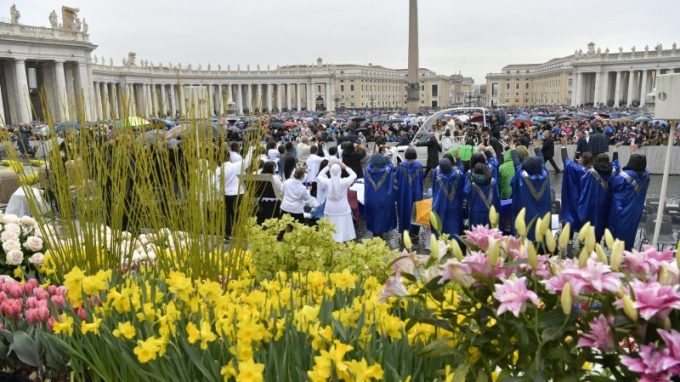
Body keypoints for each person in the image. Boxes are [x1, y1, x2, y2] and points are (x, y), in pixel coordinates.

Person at [607, 146, 649, 250]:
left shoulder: (624, 176)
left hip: (622, 210)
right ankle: (627, 256)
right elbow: (640, 166)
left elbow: (612, 183)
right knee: (630, 234)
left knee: (619, 236)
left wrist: (615, 158)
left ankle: (617, 258)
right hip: (636, 211)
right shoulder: (646, 176)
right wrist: (634, 153)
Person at [511, 141, 551, 241]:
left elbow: (517, 165)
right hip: (542, 212)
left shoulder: (522, 176)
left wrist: (513, 151)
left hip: (527, 213)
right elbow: (541, 162)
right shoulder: (545, 175)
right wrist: (537, 149)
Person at [578, 149, 619, 242]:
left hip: (593, 201)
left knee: (592, 221)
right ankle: (599, 241)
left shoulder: (591, 172)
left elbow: (583, 183)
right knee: (603, 221)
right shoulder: (614, 171)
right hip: (607, 202)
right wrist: (615, 152)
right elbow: (617, 165)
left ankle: (588, 242)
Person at [216, 146, 253, 237]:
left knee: (228, 214)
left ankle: (228, 233)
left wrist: (221, 191)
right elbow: (247, 161)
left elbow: (215, 183)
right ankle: (240, 233)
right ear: (229, 157)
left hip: (227, 195)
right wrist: (251, 148)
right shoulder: (235, 166)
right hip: (238, 194)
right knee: (239, 214)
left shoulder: (219, 170)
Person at [316, 163, 357, 242]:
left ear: (330, 172)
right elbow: (354, 175)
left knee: (330, 225)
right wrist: (345, 166)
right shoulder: (344, 182)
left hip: (330, 208)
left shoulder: (327, 182)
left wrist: (327, 166)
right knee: (342, 225)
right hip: (343, 208)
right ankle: (342, 239)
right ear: (340, 172)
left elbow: (319, 176)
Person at [560, 137, 592, 232]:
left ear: (582, 159)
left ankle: (568, 240)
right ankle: (583, 241)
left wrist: (563, 146)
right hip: (585, 201)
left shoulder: (572, 167)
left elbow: (565, 158)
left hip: (571, 198)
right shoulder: (592, 172)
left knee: (568, 217)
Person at [364, 154, 397, 237]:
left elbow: (368, 164)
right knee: (383, 216)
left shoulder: (367, 170)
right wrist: (387, 158)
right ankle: (381, 234)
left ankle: (375, 233)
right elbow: (392, 166)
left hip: (371, 197)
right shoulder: (387, 170)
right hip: (384, 198)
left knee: (373, 215)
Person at [432, 158, 465, 238]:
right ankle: (455, 244)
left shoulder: (438, 178)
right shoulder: (459, 175)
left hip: (441, 205)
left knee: (442, 226)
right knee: (455, 225)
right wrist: (459, 160)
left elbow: (434, 191)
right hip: (455, 204)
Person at [396, 147, 424, 237]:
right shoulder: (419, 166)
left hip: (403, 193)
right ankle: (414, 232)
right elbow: (421, 180)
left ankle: (404, 230)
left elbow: (397, 178)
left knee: (404, 210)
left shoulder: (401, 166)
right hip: (416, 193)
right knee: (415, 210)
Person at [465, 162, 500, 228]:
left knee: (476, 235)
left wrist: (468, 177)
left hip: (475, 213)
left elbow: (465, 194)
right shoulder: (493, 182)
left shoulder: (471, 183)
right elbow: (496, 199)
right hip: (490, 212)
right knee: (489, 234)